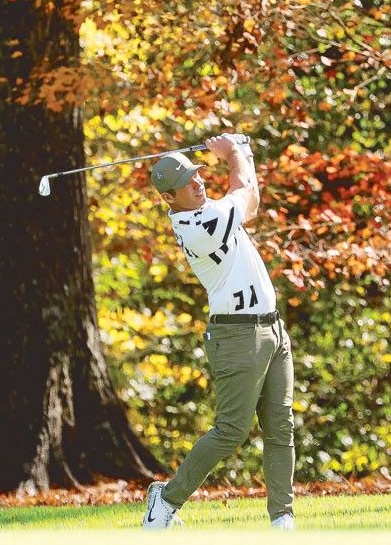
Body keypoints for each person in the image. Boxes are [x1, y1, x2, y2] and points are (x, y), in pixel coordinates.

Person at [141, 133, 296, 531]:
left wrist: (243, 153)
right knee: (231, 430)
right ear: (170, 198)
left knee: (280, 427)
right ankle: (166, 500)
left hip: (272, 329)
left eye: (197, 175)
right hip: (237, 336)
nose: (198, 183)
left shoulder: (210, 208)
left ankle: (283, 519)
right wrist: (235, 152)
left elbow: (251, 199)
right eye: (188, 184)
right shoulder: (198, 223)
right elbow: (245, 191)